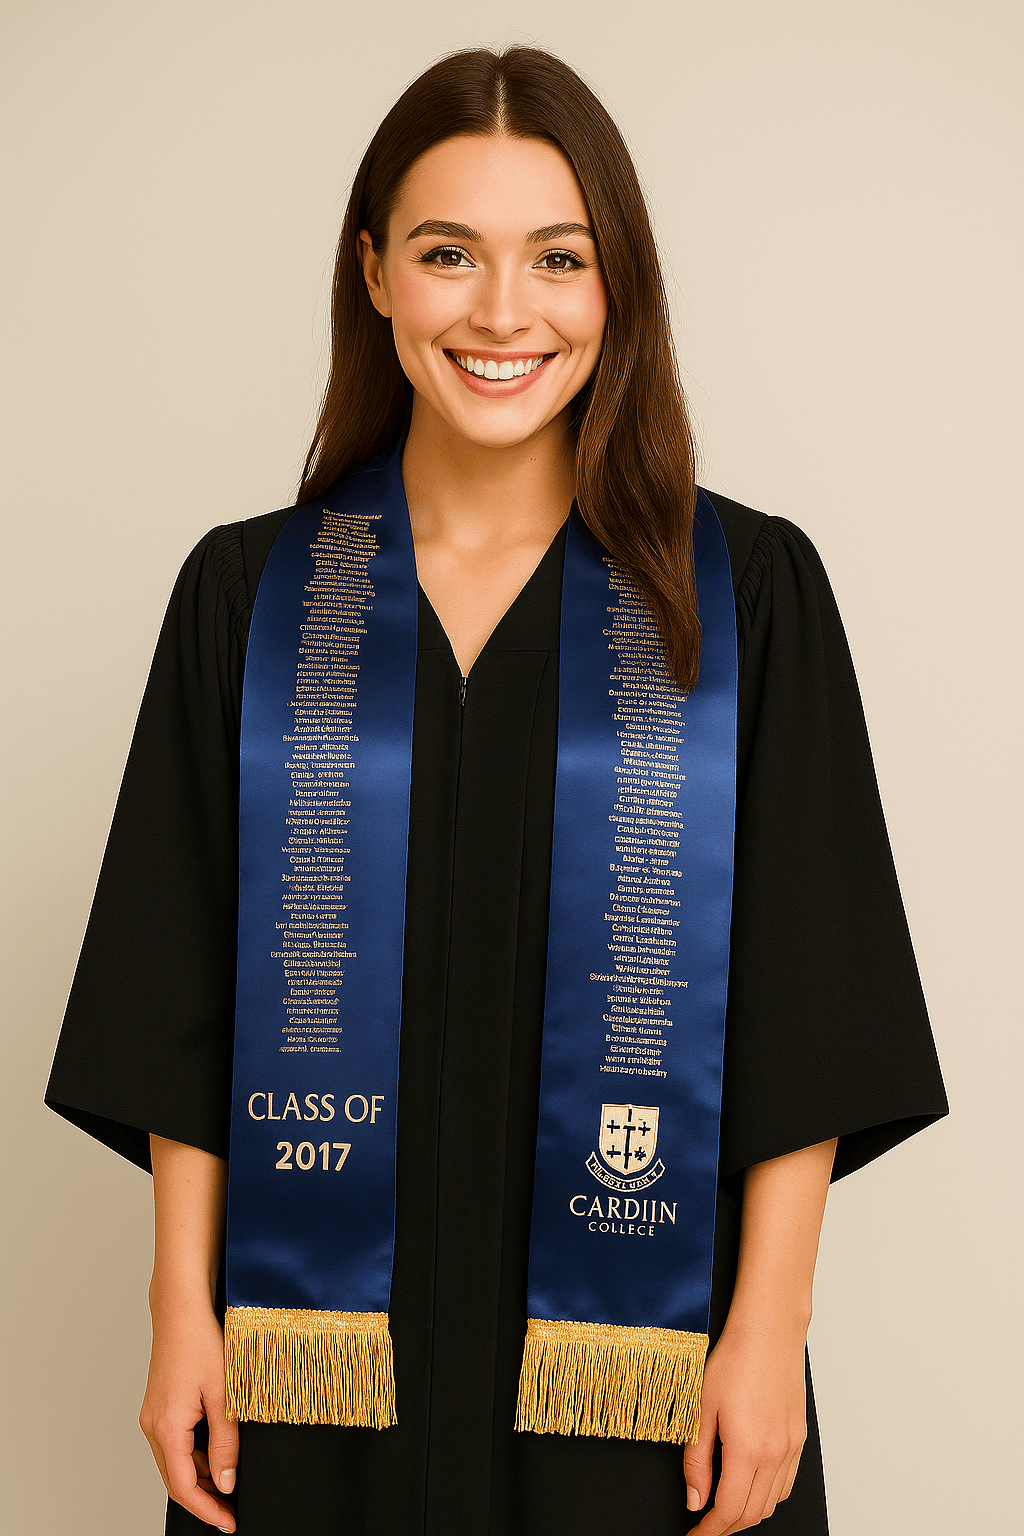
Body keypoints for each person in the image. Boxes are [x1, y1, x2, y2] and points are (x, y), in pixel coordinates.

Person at [45, 45, 947, 1536]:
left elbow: (810, 997)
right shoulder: (251, 600)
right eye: (449, 252)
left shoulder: (742, 597)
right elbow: (175, 991)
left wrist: (770, 1334)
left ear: (617, 286)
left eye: (559, 258)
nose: (503, 312)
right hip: (319, 1369)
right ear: (375, 273)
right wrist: (180, 1311)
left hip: (644, 1370)